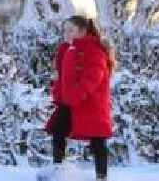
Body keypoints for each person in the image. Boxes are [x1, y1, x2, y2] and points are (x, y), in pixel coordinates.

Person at [39, 15, 115, 181]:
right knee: (57, 129)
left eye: (70, 30)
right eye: (65, 30)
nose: (66, 33)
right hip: (70, 103)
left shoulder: (94, 50)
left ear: (82, 31)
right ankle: (58, 169)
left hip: (92, 104)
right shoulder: (67, 49)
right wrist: (59, 95)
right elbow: (63, 77)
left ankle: (101, 177)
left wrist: (77, 94)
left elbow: (94, 76)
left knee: (97, 141)